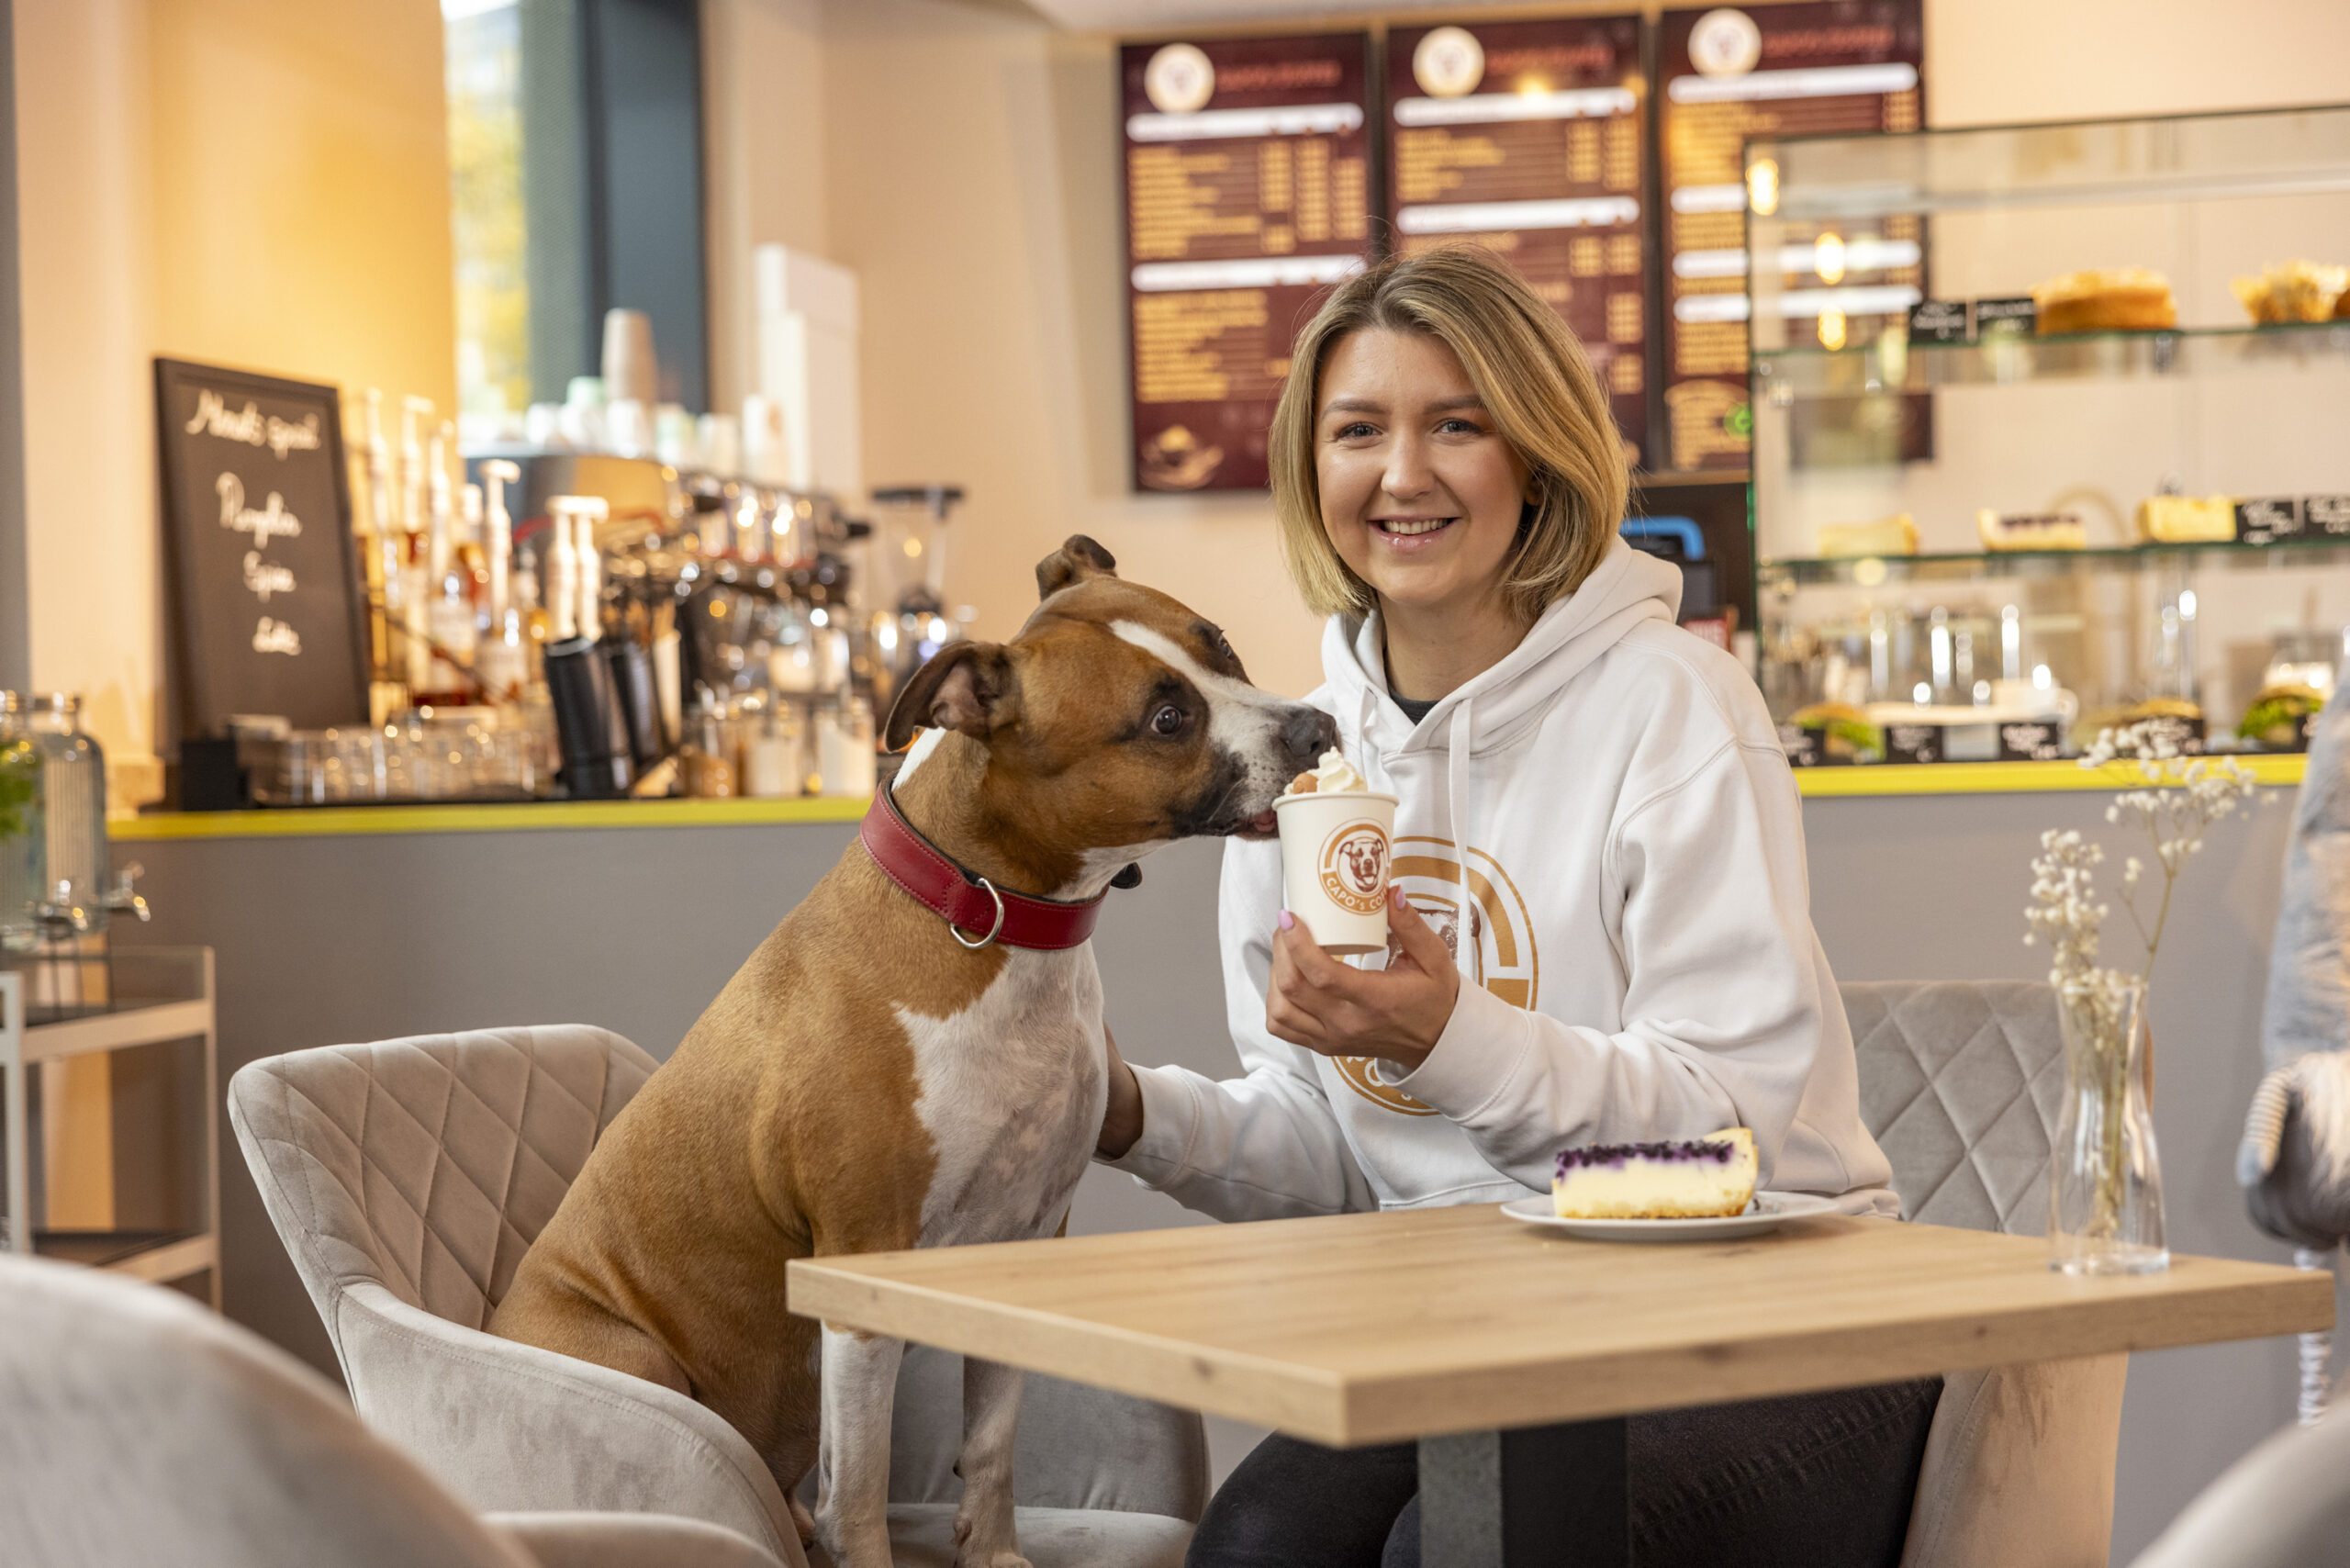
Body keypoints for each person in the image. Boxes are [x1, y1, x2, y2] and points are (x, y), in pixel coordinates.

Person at [1091, 246, 1938, 1568]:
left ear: (1535, 456)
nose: (1403, 474)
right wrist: (1123, 1108)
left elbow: (1734, 1129)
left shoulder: (1674, 706)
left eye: (1457, 426)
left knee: (1481, 1548)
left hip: (1773, 1328)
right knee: (1257, 1545)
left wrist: (1451, 1039)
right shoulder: (1311, 761)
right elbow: (1335, 1155)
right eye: (1358, 430)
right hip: (1478, 1331)